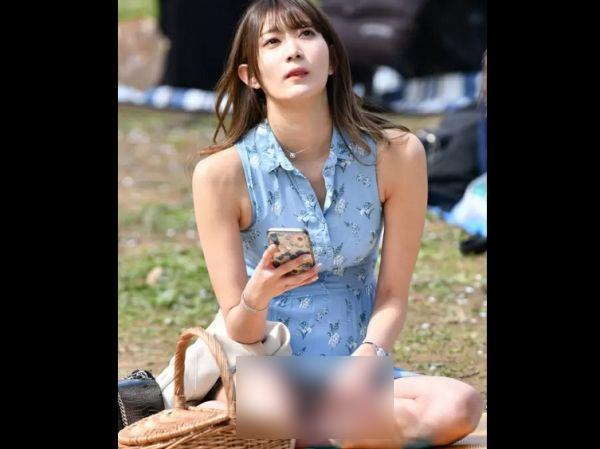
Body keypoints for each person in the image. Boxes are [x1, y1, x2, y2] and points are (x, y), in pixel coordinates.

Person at [189, 0, 483, 446]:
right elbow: (241, 329)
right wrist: (257, 295)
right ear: (251, 76)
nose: (294, 50)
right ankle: (310, 428)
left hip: (359, 366)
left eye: (307, 34)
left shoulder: (395, 154)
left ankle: (301, 431)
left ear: (332, 60)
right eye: (273, 42)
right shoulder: (221, 175)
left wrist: (367, 359)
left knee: (459, 405)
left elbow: (392, 295)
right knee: (274, 415)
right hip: (265, 367)